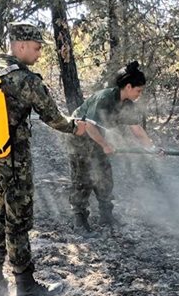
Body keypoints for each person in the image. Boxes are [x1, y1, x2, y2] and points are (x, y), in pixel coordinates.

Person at [0, 21, 94, 296]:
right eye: (35, 47)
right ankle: (25, 283)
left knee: (2, 214)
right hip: (14, 160)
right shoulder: (23, 79)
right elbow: (53, 117)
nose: (39, 53)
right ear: (20, 45)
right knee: (18, 220)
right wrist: (75, 127)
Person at [66, 61, 161, 235]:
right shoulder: (104, 98)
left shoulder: (127, 105)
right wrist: (105, 144)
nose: (140, 94)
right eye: (138, 90)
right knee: (83, 178)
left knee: (104, 175)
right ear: (128, 86)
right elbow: (88, 126)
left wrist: (152, 149)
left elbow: (137, 129)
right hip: (80, 136)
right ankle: (79, 218)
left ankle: (106, 215)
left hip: (97, 137)